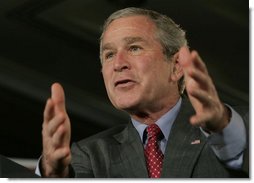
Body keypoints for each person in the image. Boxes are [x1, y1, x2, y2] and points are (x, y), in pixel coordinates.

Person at [36, 7, 248, 178]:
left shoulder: (238, 126)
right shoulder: (89, 155)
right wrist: (52, 174)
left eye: (134, 48)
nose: (118, 64)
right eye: (109, 54)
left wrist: (222, 127)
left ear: (176, 66)